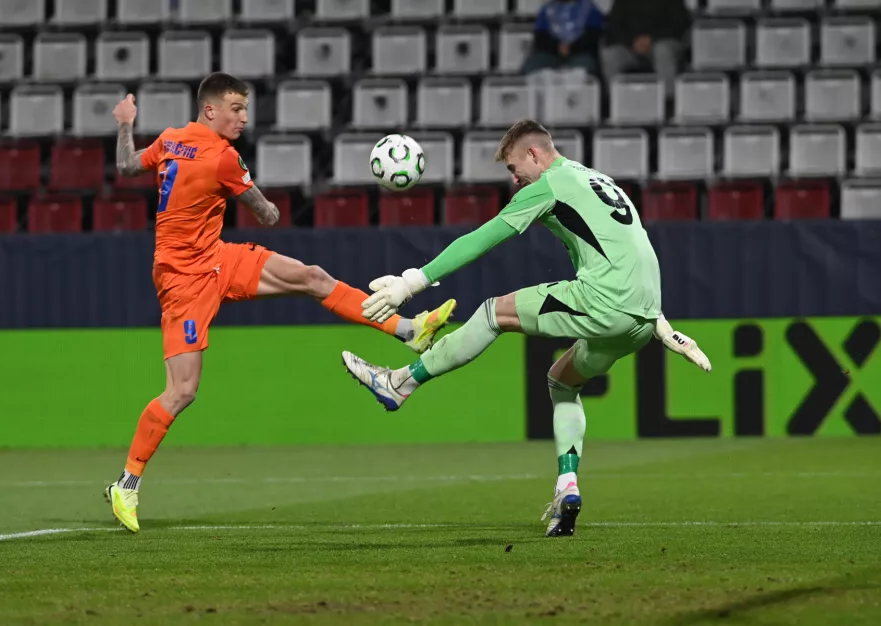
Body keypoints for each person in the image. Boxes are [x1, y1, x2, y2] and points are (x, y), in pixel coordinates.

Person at [104, 72, 456, 533]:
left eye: (245, 110)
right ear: (210, 110)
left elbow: (128, 164)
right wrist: (260, 201)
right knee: (183, 391)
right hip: (183, 280)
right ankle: (126, 483)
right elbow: (266, 213)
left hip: (217, 257)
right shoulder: (223, 158)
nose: (244, 118)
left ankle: (409, 330)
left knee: (312, 277)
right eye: (236, 109)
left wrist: (126, 122)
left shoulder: (171, 139)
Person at [341, 120, 712, 538]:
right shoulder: (600, 181)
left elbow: (484, 237)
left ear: (535, 154)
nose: (514, 179)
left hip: (605, 301)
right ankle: (566, 487)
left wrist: (412, 282)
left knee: (491, 313)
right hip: (641, 319)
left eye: (515, 168)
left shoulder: (550, 184)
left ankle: (400, 384)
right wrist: (661, 324)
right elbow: (632, 252)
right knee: (562, 383)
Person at [600, 0, 690, 97]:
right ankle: (615, 101)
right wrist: (632, 42)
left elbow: (680, 23)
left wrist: (651, 39)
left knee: (662, 50)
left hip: (663, 41)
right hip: (630, 45)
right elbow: (614, 24)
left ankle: (667, 101)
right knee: (610, 54)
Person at [522, 0, 605, 77]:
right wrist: (558, 46)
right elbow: (540, 38)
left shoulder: (590, 10)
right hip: (551, 53)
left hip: (579, 53)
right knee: (532, 66)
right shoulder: (547, 10)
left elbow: (592, 38)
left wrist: (571, 47)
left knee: (585, 67)